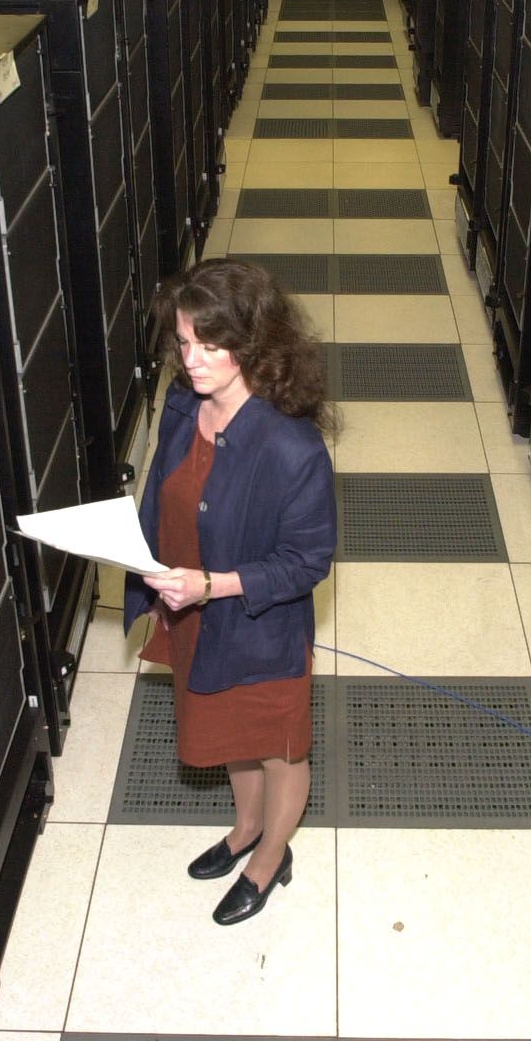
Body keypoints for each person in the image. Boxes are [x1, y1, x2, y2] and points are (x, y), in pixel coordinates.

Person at [123, 257, 339, 926]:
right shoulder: (185, 408)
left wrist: (212, 585)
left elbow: (308, 562)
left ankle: (271, 857)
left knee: (278, 748)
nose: (191, 361)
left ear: (253, 345)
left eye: (209, 346)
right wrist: (143, 563)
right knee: (226, 734)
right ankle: (246, 828)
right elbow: (167, 496)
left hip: (255, 624)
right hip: (190, 610)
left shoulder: (292, 448)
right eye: (183, 343)